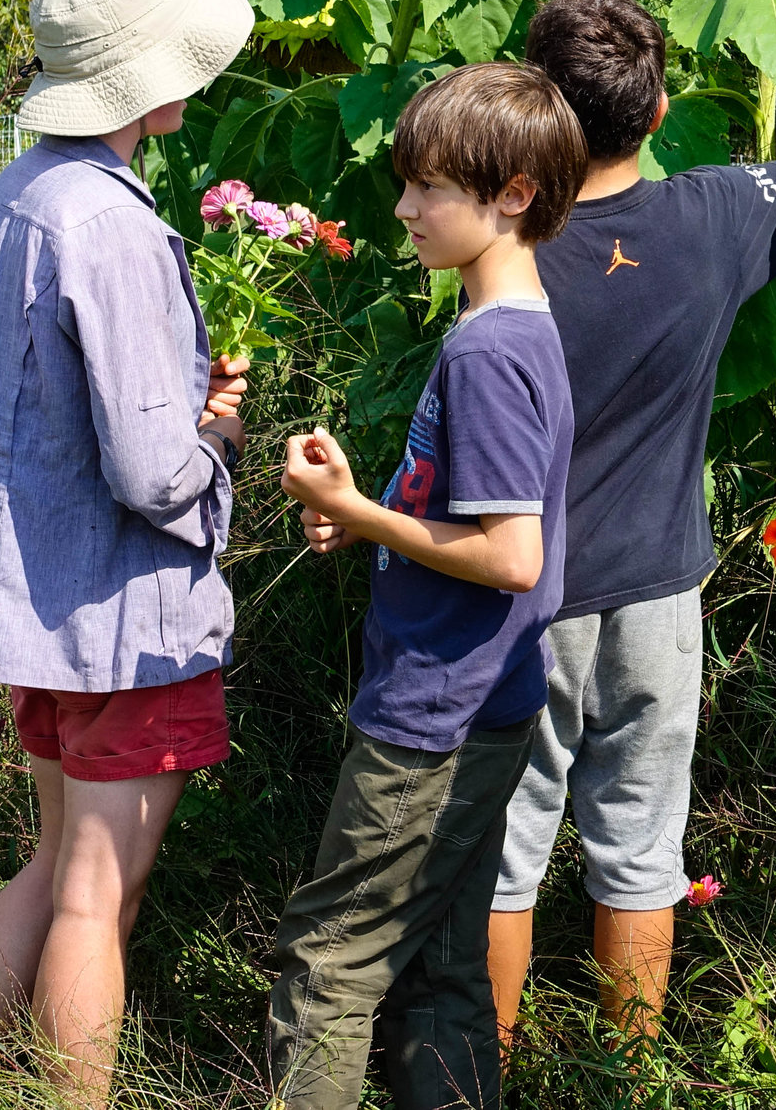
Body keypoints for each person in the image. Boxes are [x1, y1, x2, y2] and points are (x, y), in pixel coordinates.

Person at [489, 0, 776, 1043]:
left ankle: (491, 1065)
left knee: (507, 848)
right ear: (659, 110)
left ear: (535, 106)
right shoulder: (709, 215)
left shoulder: (502, 240)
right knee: (641, 841)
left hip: (525, 589)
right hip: (661, 589)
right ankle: (630, 1064)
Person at [0, 0, 256, 1106]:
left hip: (38, 594)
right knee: (93, 893)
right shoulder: (112, 224)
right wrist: (215, 435)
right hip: (124, 610)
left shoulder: (15, 196)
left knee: (54, 861)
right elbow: (149, 467)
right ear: (145, 85)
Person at [268, 61, 588, 1110]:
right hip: (484, 700)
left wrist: (361, 516)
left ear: (513, 196)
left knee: (332, 961)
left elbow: (509, 554)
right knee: (441, 970)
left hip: (434, 712)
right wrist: (364, 505)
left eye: (429, 187)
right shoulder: (519, 326)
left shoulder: (490, 351)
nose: (403, 206)